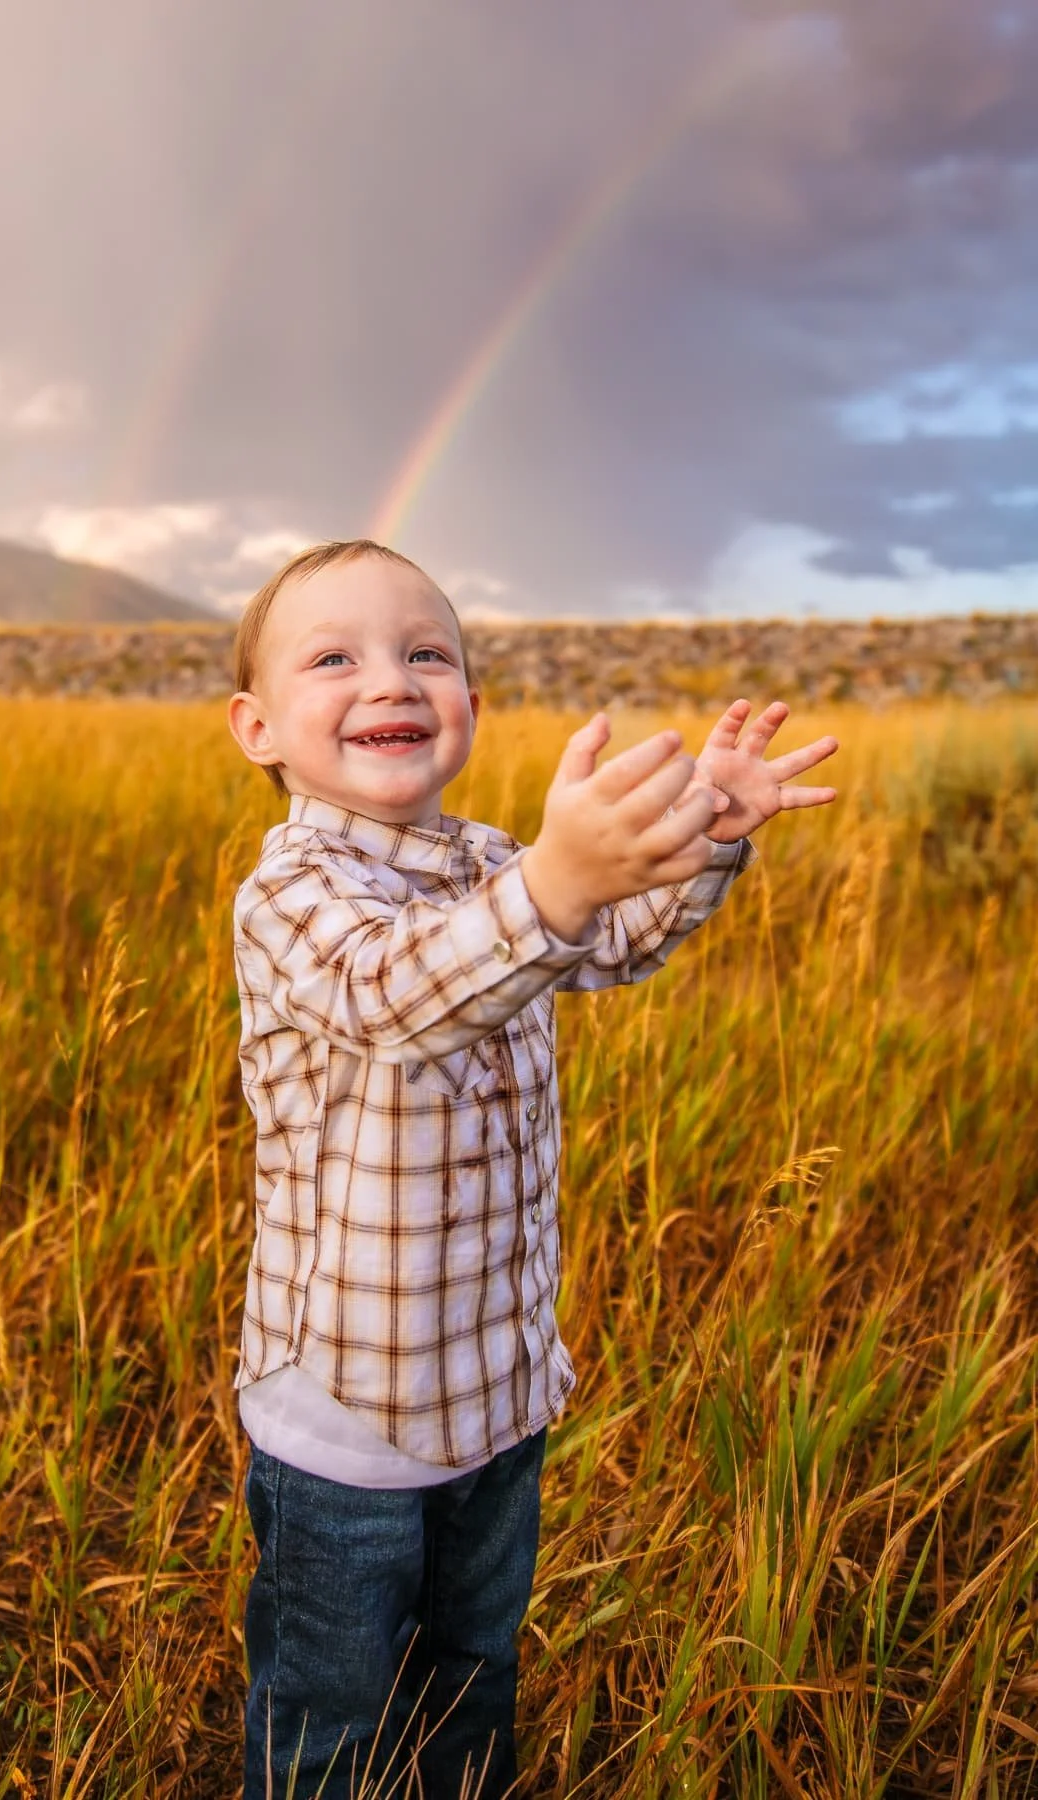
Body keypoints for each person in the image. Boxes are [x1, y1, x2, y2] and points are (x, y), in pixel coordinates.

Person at [225, 539, 837, 1799]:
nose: (389, 679)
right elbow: (396, 996)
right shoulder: (289, 893)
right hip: (346, 1422)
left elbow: (612, 939)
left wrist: (705, 832)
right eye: (334, 657)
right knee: (330, 1709)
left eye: (427, 654)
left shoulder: (489, 859)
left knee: (471, 1669)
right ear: (259, 727)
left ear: (472, 709)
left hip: (499, 1393)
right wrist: (556, 883)